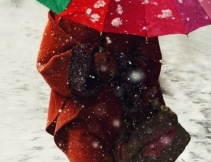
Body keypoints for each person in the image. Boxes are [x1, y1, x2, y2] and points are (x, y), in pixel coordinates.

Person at [37, 11, 166, 162]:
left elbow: (151, 65)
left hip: (129, 117)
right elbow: (48, 62)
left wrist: (120, 64)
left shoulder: (139, 13)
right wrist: (89, 63)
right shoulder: (68, 11)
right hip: (82, 119)